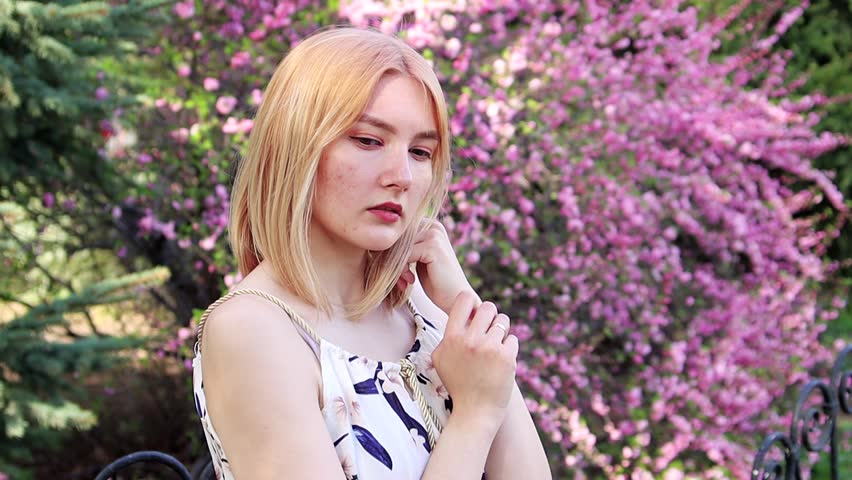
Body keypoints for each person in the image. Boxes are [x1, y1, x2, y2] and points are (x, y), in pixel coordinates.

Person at [191, 26, 552, 479]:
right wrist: (475, 416)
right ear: (296, 146)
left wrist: (464, 304)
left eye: (421, 152)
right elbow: (480, 415)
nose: (401, 175)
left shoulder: (420, 308)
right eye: (368, 140)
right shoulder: (254, 331)